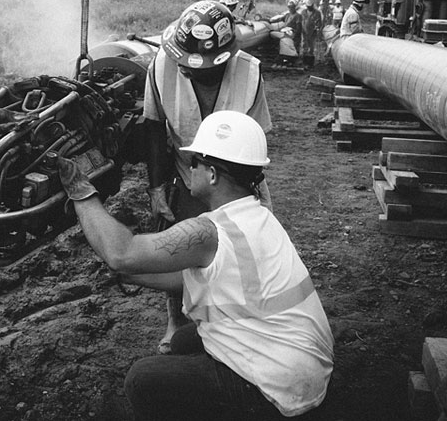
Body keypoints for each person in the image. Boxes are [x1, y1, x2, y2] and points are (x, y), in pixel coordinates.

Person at [58, 111, 334, 420]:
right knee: (182, 340)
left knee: (143, 379)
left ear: (213, 174)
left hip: (278, 389)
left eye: (194, 163)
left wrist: (81, 193)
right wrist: (132, 276)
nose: (189, 169)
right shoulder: (256, 216)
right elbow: (197, 278)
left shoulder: (207, 232)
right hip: (306, 370)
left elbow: (122, 252)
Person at [143, 0, 272, 355]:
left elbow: (255, 137)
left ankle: (233, 319)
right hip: (187, 172)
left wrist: (246, 200)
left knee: (240, 249)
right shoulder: (162, 67)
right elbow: (154, 129)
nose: (187, 72)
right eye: (184, 65)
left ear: (224, 61)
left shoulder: (249, 73)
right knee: (177, 248)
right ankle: (176, 321)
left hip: (235, 176)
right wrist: (156, 190)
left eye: (197, 70)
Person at [269, 0, 303, 67]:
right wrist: (269, 20)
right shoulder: (287, 15)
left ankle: (291, 59)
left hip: (292, 34)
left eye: (292, 7)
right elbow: (280, 19)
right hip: (285, 33)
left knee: (291, 48)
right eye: (289, 7)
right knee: (272, 34)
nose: (290, 8)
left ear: (295, 7)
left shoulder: (298, 16)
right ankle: (281, 54)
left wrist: (294, 36)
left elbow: (299, 28)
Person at [299, 0, 323, 67]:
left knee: (311, 47)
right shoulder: (303, 12)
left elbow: (319, 23)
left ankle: (310, 62)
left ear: (313, 5)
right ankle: (304, 61)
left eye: (310, 6)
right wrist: (303, 30)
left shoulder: (317, 13)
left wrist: (317, 28)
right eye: (308, 6)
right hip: (304, 32)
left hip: (313, 33)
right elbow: (302, 22)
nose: (309, 7)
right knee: (304, 46)